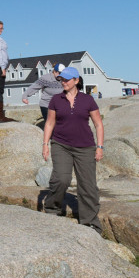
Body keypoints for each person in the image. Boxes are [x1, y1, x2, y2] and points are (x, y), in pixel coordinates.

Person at [42, 67, 104, 234]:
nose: (63, 82)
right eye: (61, 79)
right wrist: (45, 144)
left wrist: (100, 147)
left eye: (67, 80)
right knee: (61, 179)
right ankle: (53, 209)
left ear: (76, 80)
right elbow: (49, 123)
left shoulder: (88, 100)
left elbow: (98, 124)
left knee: (88, 185)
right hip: (61, 145)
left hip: (85, 147)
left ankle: (90, 222)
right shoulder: (56, 99)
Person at [22, 62, 66, 128]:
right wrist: (25, 96)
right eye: (59, 73)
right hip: (46, 105)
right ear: (55, 71)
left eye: (63, 74)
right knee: (51, 124)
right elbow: (34, 87)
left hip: (59, 105)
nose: (61, 76)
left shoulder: (64, 79)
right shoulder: (46, 78)